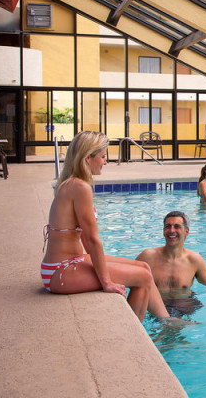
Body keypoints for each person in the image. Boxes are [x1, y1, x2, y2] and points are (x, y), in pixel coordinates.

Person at [41, 131, 169, 321]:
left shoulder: (70, 184)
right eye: (102, 156)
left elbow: (84, 237)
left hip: (67, 263)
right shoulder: (80, 188)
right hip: (61, 271)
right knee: (142, 277)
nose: (105, 161)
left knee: (143, 267)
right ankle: (133, 336)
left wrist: (97, 267)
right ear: (87, 158)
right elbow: (92, 240)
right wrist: (106, 281)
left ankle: (165, 320)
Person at [136, 211, 206, 317]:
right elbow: (129, 275)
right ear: (163, 230)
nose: (171, 230)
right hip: (156, 307)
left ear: (186, 232)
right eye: (167, 226)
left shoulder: (194, 260)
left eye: (177, 226)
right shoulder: (148, 256)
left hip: (184, 306)